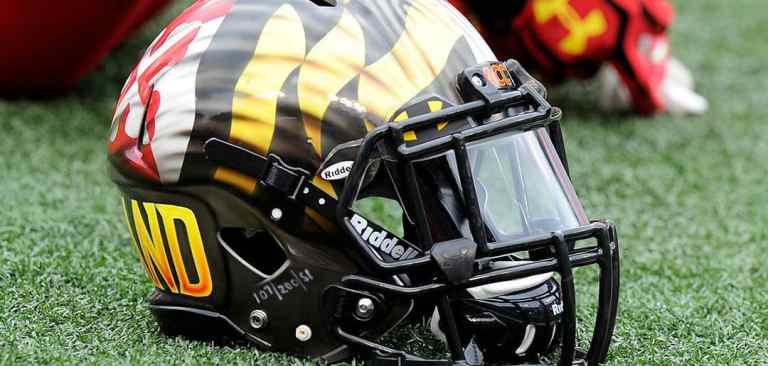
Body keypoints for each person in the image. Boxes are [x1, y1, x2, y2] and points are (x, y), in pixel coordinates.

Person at [449, 0, 708, 115]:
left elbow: (648, 97)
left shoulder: (618, 14)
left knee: (650, 91)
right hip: (508, 42)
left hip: (602, 51)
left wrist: (650, 84)